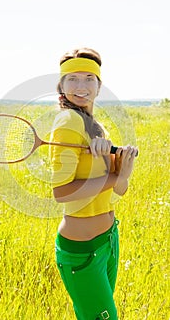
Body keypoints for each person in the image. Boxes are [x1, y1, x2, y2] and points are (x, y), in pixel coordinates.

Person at [49, 47, 138, 320]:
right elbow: (61, 192)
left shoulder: (98, 127)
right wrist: (114, 175)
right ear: (61, 86)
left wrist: (124, 168)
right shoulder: (68, 122)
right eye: (73, 78)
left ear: (99, 86)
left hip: (109, 240)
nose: (81, 86)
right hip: (83, 251)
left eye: (89, 78)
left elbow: (119, 190)